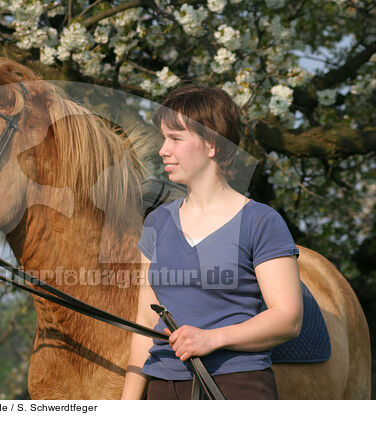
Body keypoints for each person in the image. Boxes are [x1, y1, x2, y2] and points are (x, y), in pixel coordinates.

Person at [121, 85, 303, 400]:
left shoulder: (260, 221)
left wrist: (212, 339)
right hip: (162, 390)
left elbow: (288, 318)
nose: (163, 150)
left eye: (175, 139)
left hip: (237, 385)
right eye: (164, 138)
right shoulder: (155, 224)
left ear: (211, 144)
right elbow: (145, 321)